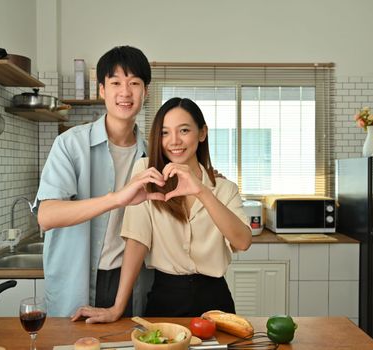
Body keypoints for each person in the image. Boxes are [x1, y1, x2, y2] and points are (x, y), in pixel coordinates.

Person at [71, 97, 252, 323]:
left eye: (184, 130)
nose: (174, 141)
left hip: (215, 301)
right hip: (165, 299)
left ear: (202, 133)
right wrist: (117, 308)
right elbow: (137, 242)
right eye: (165, 133)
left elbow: (242, 242)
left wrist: (202, 191)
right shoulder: (147, 174)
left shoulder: (225, 189)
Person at [33, 46, 165, 317]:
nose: (125, 92)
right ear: (102, 90)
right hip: (76, 283)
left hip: (131, 283)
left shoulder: (152, 155)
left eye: (134, 83)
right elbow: (46, 216)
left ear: (146, 91)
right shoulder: (69, 144)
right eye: (116, 83)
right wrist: (117, 198)